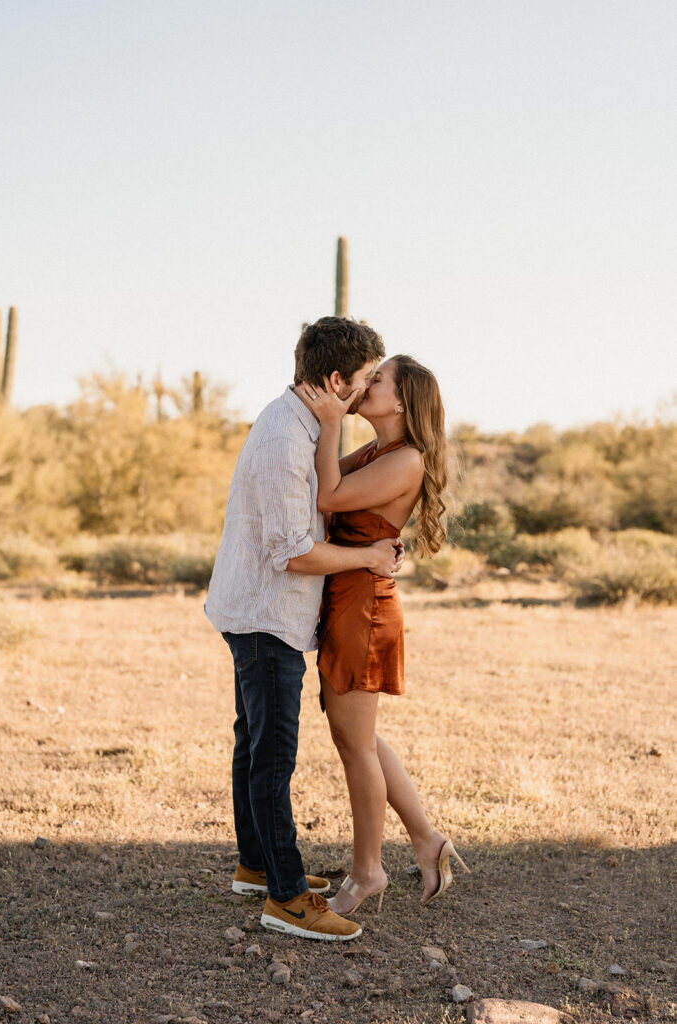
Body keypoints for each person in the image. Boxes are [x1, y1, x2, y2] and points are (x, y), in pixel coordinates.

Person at [204, 317, 403, 942]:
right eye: (365, 378)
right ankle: (286, 898)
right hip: (268, 614)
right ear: (337, 379)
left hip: (262, 609)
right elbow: (294, 553)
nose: (369, 388)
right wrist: (369, 559)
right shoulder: (288, 439)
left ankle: (256, 865)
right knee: (272, 757)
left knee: (252, 741)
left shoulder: (297, 423)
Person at [305, 355, 470, 916]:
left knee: (354, 745)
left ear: (402, 401)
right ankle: (427, 840)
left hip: (362, 609)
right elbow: (313, 479)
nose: (366, 383)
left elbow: (327, 497)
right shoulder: (379, 450)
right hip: (347, 597)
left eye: (379, 380)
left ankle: (368, 871)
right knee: (362, 739)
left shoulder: (406, 460)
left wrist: (331, 422)